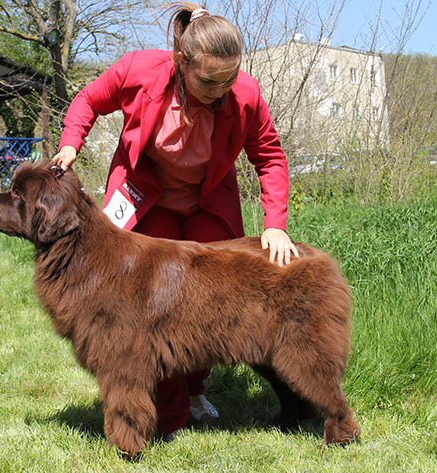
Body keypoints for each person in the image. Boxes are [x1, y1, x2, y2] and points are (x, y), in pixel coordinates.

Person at [52, 2, 299, 440]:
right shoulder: (140, 71)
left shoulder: (245, 94)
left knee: (208, 304)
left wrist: (275, 222)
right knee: (152, 310)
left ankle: (197, 390)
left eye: (229, 78)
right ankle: (168, 412)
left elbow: (270, 157)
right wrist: (71, 143)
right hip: (147, 198)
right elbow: (89, 99)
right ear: (182, 62)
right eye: (209, 80)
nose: (221, 89)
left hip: (208, 205)